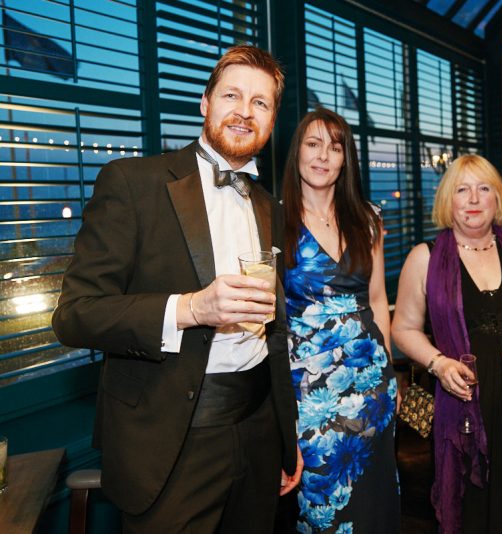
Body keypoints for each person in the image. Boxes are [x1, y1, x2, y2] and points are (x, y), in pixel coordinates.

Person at [51, 46, 301, 532]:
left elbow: (274, 335)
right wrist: (191, 308)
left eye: (260, 103)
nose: (244, 112)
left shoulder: (269, 206)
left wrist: (283, 440)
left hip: (257, 432)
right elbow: (75, 315)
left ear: (272, 120)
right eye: (231, 95)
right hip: (171, 442)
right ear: (205, 102)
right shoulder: (133, 183)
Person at [392, 154, 502, 534]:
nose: (473, 199)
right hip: (461, 409)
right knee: (468, 512)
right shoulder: (424, 258)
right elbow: (402, 328)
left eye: (483, 188)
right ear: (447, 200)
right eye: (462, 190)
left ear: (497, 198)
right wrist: (438, 363)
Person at [281, 108, 400, 532]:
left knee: (375, 508)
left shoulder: (368, 218)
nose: (323, 156)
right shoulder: (274, 221)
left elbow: (378, 299)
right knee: (323, 512)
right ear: (297, 152)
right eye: (313, 145)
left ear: (345, 158)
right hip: (309, 397)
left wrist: (390, 372)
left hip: (372, 386)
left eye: (334, 148)